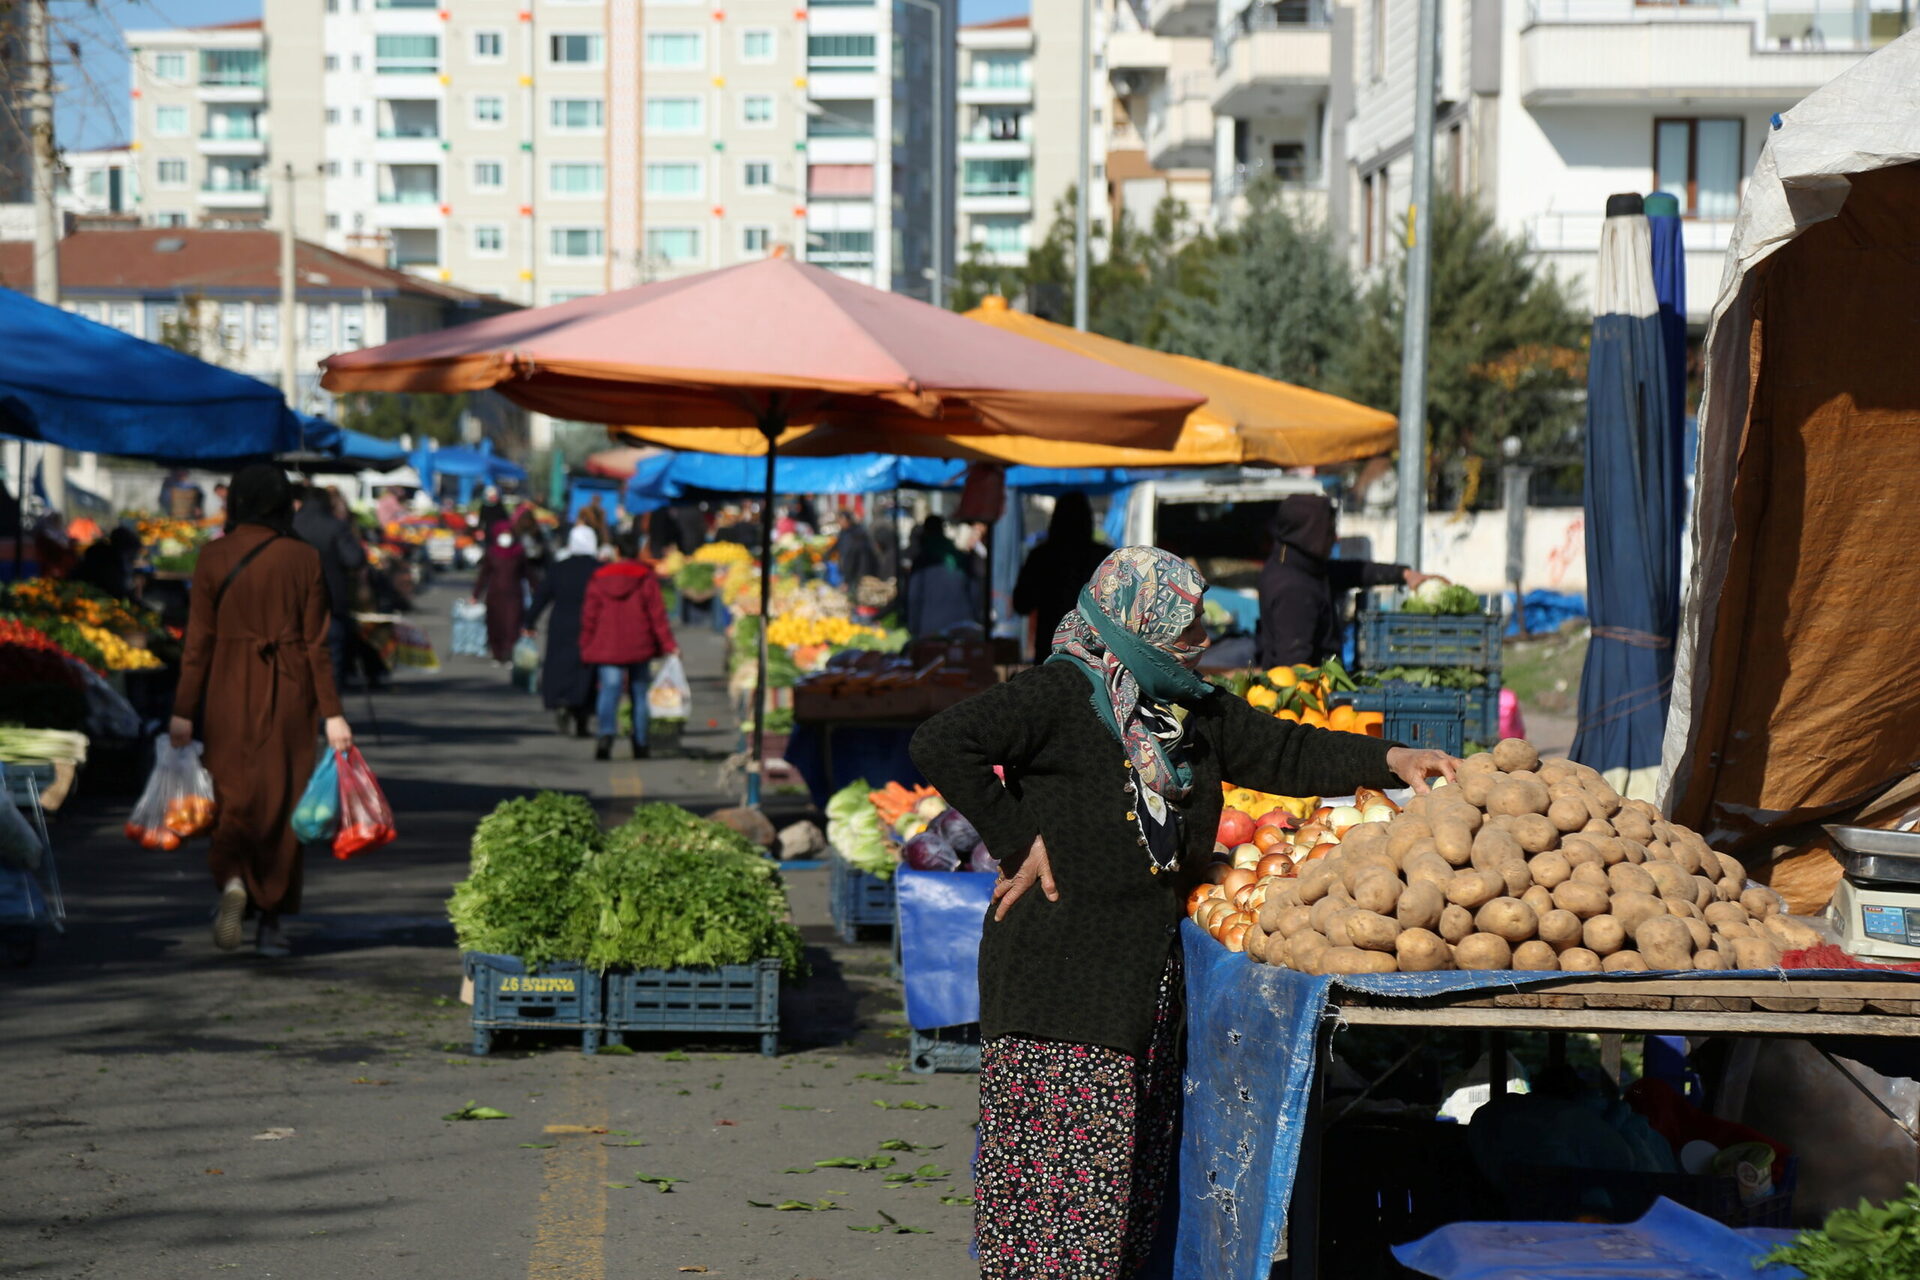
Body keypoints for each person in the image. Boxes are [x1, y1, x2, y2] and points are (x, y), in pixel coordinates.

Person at [909, 547, 1456, 1278]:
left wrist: (1391, 760)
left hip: (1146, 989)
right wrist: (1017, 840)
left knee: (1127, 1205)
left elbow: (1283, 750)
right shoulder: (1058, 695)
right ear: (1138, 621)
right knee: (1064, 1210)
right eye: (1186, 624)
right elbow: (942, 740)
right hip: (1060, 987)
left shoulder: (1186, 707)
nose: (1201, 638)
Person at [171, 464, 354, 959]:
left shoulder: (212, 556)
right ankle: (270, 917)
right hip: (291, 693)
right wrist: (332, 713)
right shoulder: (304, 559)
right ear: (280, 503)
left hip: (227, 689)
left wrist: (184, 710)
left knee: (231, 797)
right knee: (282, 802)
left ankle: (232, 880)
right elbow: (318, 645)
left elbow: (198, 644)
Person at [1257, 493, 1443, 669]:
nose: (1335, 539)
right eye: (1329, 532)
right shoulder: (1293, 590)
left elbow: (1351, 572)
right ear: (1309, 535)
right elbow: (1295, 670)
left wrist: (1404, 574)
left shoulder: (1297, 564)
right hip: (1311, 695)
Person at [579, 529, 677, 761]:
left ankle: (605, 736)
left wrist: (585, 645)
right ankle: (640, 742)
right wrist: (669, 644)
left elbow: (589, 615)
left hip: (607, 644)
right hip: (639, 642)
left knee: (609, 691)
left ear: (617, 551)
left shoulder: (600, 577)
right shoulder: (645, 577)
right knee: (640, 694)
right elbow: (657, 615)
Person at [1011, 493, 1110, 662]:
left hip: (1051, 648)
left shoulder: (1041, 557)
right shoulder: (1103, 557)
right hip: (1095, 653)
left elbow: (1021, 604)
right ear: (1088, 520)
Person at [293, 483, 369, 692]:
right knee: (331, 658)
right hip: (331, 600)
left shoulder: (290, 526)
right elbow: (354, 559)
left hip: (294, 602)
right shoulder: (335, 526)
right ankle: (330, 711)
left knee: (298, 658)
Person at [526, 524, 601, 737]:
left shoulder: (559, 568)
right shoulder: (598, 569)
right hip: (590, 625)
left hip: (561, 624)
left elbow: (541, 596)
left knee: (560, 667)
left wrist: (529, 622)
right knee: (585, 671)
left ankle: (561, 703)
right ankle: (582, 718)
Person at [905, 516, 980, 640]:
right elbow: (975, 593)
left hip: (931, 628)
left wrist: (913, 628)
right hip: (962, 625)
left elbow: (914, 597)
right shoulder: (959, 556)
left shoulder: (923, 560)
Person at [472, 519, 529, 665]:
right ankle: (497, 654)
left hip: (514, 595)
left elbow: (529, 574)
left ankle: (508, 653)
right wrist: (475, 595)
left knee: (512, 625)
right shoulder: (492, 553)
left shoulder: (519, 552)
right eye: (503, 533)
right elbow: (484, 575)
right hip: (495, 595)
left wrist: (541, 591)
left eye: (508, 533)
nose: (506, 536)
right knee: (495, 625)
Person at [75, 525, 143, 600]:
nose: (132, 561)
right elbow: (117, 591)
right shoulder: (109, 564)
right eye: (131, 557)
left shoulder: (101, 555)